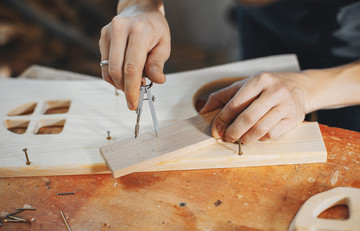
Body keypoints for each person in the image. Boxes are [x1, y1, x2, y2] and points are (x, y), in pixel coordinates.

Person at [99, 0, 360, 145]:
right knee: (258, 112)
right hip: (266, 23)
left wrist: (306, 90)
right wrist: (141, 6)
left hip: (351, 48)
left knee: (341, 145)